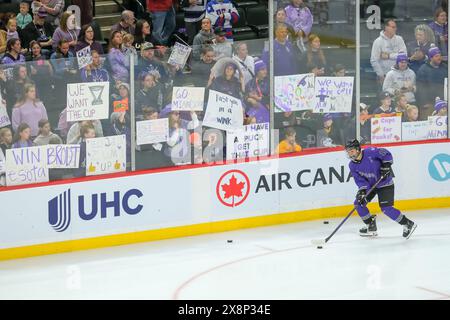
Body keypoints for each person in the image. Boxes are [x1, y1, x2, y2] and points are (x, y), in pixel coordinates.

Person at [344, 139, 417, 239]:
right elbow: (360, 180)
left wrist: (386, 166)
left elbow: (386, 154)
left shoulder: (371, 152)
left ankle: (408, 223)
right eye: (348, 151)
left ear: (358, 149)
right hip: (371, 186)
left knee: (386, 209)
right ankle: (371, 225)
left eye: (351, 151)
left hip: (384, 183)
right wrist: (362, 191)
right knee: (358, 204)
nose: (350, 154)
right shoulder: (352, 165)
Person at [370, 19, 407, 86]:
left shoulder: (399, 39)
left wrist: (389, 56)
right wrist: (381, 75)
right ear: (386, 27)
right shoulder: (378, 41)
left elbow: (404, 55)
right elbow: (374, 60)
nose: (395, 29)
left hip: (399, 74)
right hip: (384, 75)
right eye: (392, 27)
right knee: (385, 96)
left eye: (395, 27)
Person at [416, 46, 448, 119]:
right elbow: (420, 88)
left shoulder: (445, 68)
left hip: (444, 103)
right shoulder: (423, 70)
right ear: (431, 58)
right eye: (436, 56)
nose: (439, 58)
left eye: (440, 56)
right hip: (429, 104)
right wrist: (424, 102)